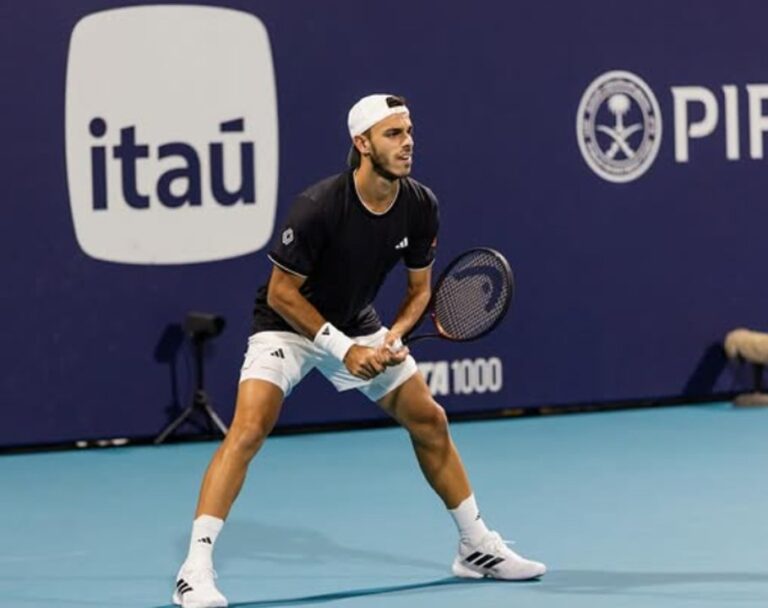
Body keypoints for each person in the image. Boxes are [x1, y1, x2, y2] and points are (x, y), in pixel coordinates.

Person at [172, 94, 546, 608]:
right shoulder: (319, 206)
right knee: (249, 428)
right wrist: (341, 349)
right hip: (287, 325)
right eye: (393, 134)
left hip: (359, 322)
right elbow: (282, 292)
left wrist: (392, 336)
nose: (408, 142)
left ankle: (475, 545)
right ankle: (195, 569)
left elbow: (419, 293)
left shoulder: (420, 204)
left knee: (429, 419)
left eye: (409, 131)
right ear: (362, 143)